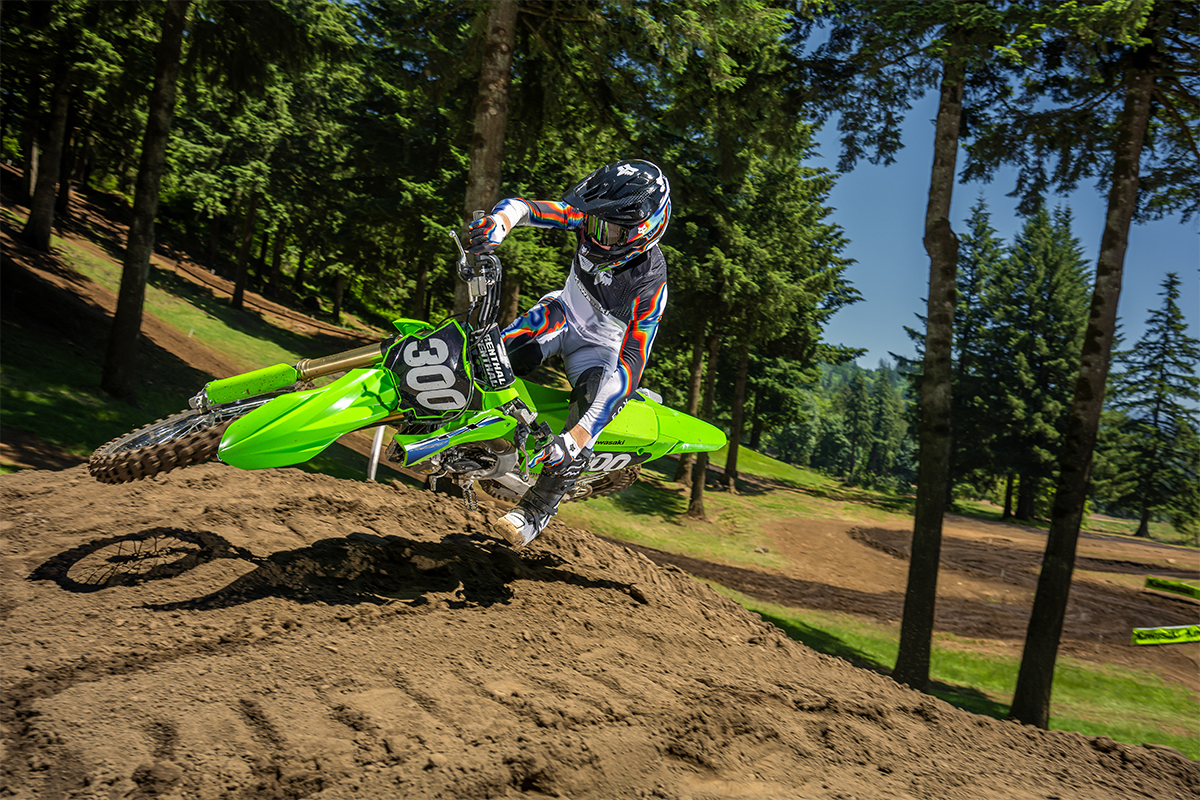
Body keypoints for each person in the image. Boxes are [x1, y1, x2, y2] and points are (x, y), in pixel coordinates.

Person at [465, 159, 671, 548]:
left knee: (587, 417)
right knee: (483, 358)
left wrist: (576, 437)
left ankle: (536, 511)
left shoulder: (651, 284)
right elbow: (525, 208)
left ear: (643, 230)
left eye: (607, 229)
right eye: (592, 221)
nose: (593, 233)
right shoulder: (594, 222)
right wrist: (499, 224)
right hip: (561, 314)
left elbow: (631, 365)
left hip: (601, 350)